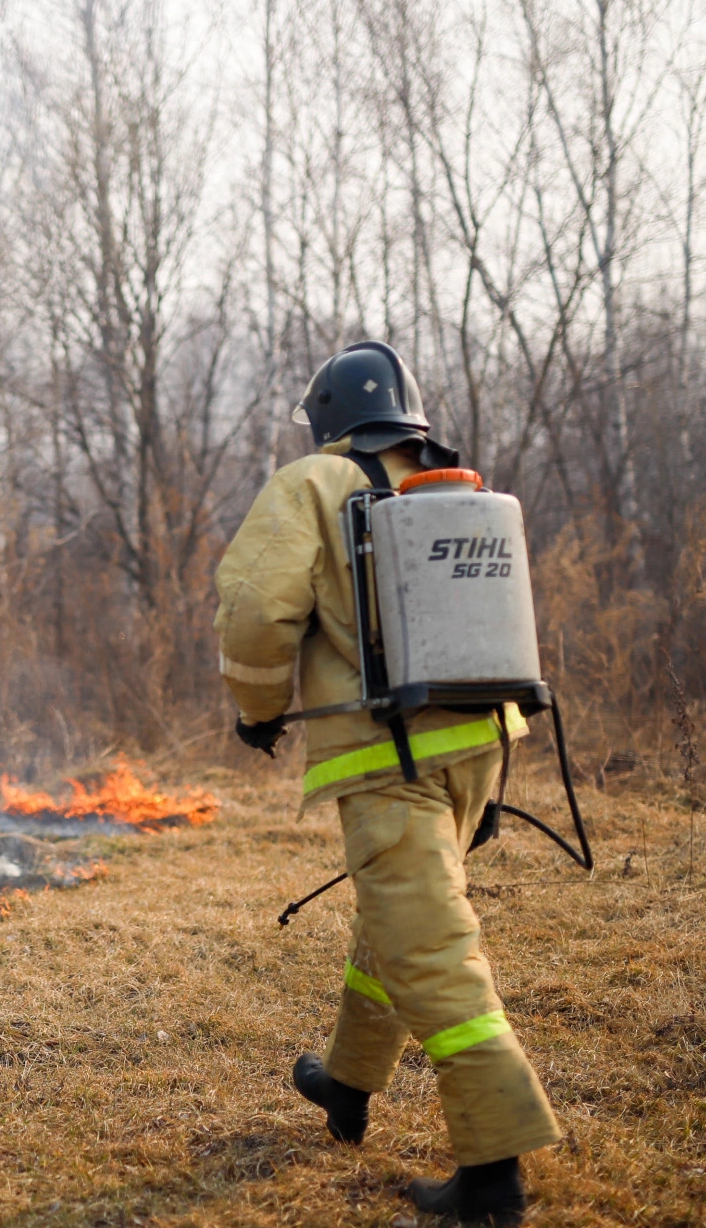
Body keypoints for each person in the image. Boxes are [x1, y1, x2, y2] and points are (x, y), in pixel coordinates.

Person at [211, 341, 559, 1226]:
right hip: (482, 746)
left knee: (432, 953)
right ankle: (350, 1084)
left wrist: (257, 707)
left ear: (328, 418)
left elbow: (255, 605)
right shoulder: (452, 485)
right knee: (397, 918)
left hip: (387, 761)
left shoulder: (313, 485)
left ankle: (491, 1172)